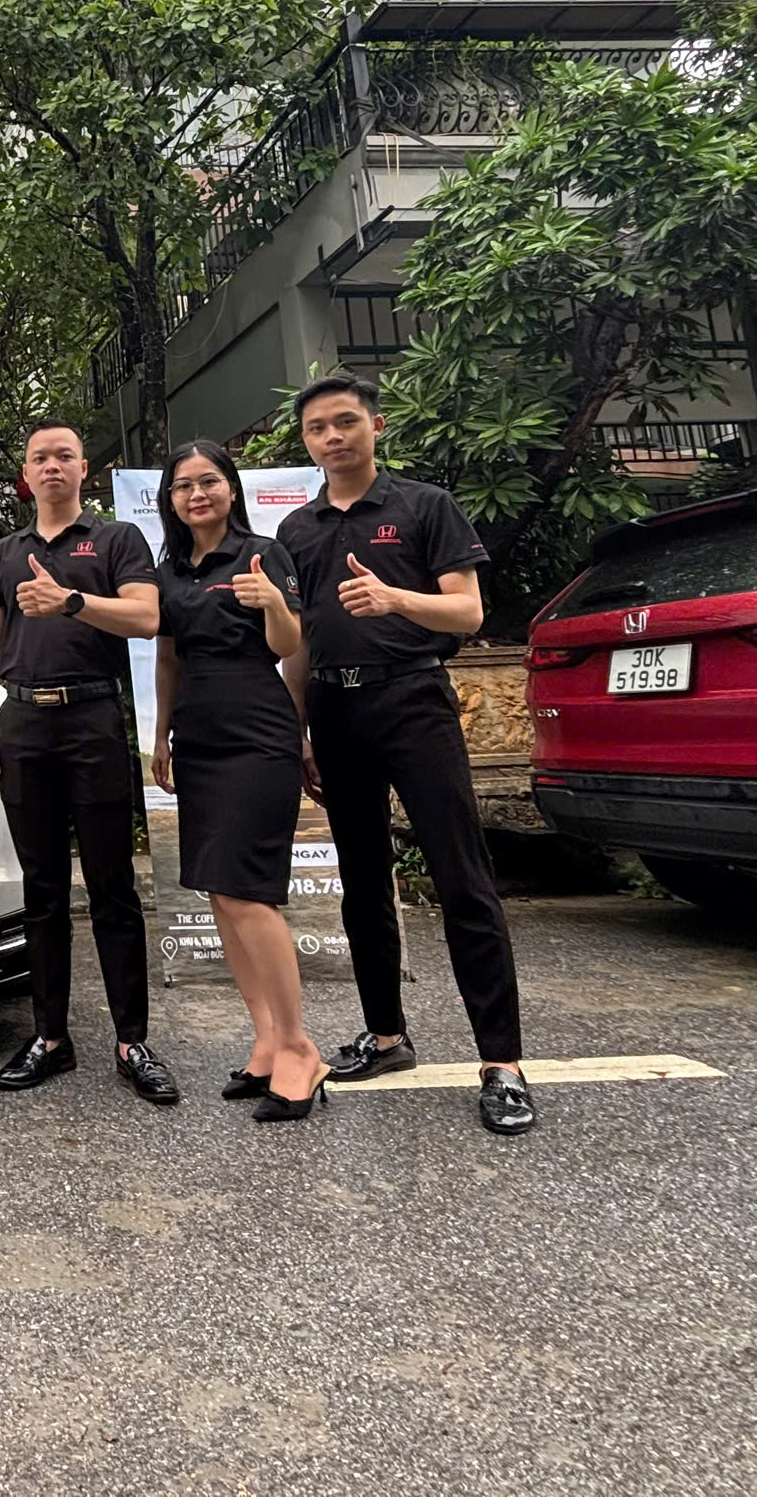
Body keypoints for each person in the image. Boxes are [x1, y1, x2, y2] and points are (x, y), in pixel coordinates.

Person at [274, 375, 536, 1136]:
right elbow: (301, 640)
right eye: (318, 428)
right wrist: (298, 728)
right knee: (361, 884)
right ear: (307, 441)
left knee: (463, 879)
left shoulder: (425, 506)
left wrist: (396, 599)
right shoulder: (297, 530)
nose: (333, 437)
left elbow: (468, 610)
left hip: (414, 700)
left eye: (346, 422)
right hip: (335, 708)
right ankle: (386, 1037)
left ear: (376, 427)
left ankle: (502, 1063)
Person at [0, 421, 174, 1103]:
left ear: (85, 469)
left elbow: (146, 618)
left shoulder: (117, 540)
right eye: (40, 457)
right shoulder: (5, 553)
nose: (52, 465)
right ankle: (50, 1038)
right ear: (25, 475)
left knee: (113, 887)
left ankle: (132, 1041)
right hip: (24, 724)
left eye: (64, 456)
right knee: (43, 888)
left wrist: (72, 601)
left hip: (92, 719)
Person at [146, 441, 330, 1122]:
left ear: (231, 489)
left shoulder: (263, 553)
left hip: (257, 731)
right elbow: (168, 658)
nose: (197, 494)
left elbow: (288, 644)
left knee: (250, 893)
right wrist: (160, 735)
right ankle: (267, 1040)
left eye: (209, 481)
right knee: (220, 894)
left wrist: (272, 603)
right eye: (183, 486)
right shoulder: (168, 572)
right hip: (198, 736)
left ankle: (300, 1047)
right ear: (169, 500)